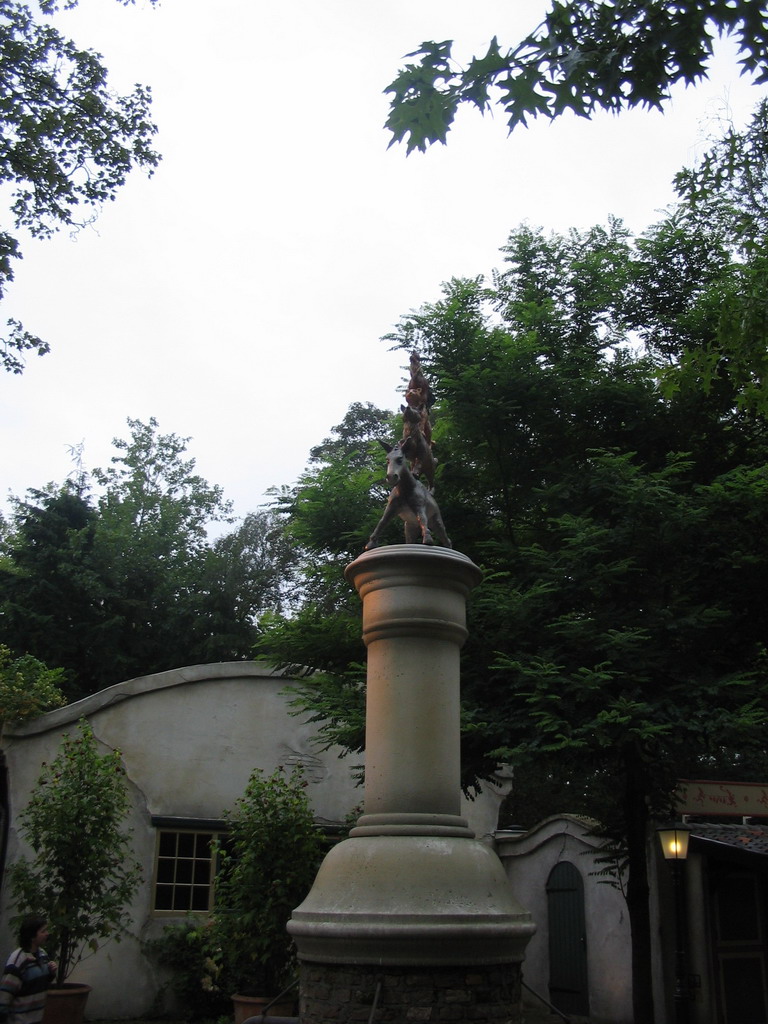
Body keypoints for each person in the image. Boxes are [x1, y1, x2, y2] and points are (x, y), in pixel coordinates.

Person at [0, 915, 57, 1024]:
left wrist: (50, 973)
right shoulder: (18, 959)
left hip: (37, 1019)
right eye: (43, 931)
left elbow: (39, 983)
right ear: (32, 936)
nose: (47, 934)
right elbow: (5, 994)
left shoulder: (43, 955)